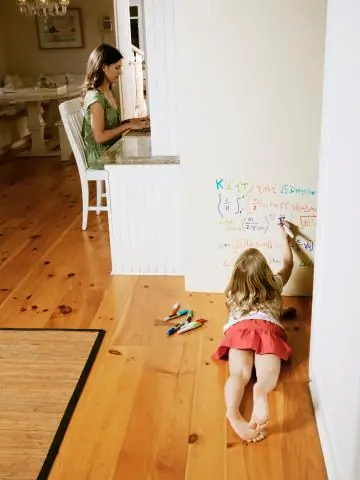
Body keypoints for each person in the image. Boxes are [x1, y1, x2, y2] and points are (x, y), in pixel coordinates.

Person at [213, 223, 294, 443]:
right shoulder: (275, 285)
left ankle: (233, 412)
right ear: (267, 275)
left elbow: (245, 312)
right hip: (267, 329)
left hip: (240, 331)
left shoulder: (233, 295)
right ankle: (260, 391)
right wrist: (285, 239)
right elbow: (288, 264)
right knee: (267, 374)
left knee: (238, 374)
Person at [81, 43, 149, 168]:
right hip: (101, 157)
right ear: (103, 67)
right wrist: (128, 126)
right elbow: (100, 137)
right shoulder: (95, 99)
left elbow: (110, 125)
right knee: (143, 160)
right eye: (117, 68)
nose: (120, 72)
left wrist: (134, 121)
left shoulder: (107, 92)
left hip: (112, 149)